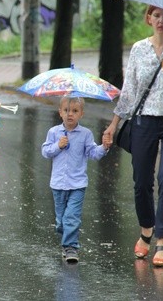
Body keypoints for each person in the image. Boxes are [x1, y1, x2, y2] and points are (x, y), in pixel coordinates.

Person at [103, 5, 163, 268]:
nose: (161, 20)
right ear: (149, 19)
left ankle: (162, 240)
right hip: (144, 121)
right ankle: (146, 228)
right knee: (141, 182)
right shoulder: (138, 49)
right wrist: (113, 125)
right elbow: (130, 91)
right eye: (156, 15)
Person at [42, 97, 111, 263]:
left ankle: (71, 247)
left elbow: (93, 153)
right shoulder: (54, 132)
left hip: (77, 184)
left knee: (71, 217)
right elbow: (45, 152)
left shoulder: (85, 134)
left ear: (81, 114)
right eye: (66, 110)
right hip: (58, 184)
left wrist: (104, 147)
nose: (69, 114)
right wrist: (58, 145)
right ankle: (66, 238)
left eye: (74, 111)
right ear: (60, 112)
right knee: (61, 222)